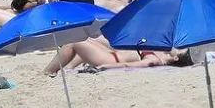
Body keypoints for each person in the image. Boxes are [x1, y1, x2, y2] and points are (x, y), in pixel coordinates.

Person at [41, 38, 192, 74]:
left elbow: (128, 65)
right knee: (88, 38)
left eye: (180, 50)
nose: (177, 47)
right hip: (111, 54)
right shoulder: (161, 52)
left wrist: (103, 67)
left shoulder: (153, 60)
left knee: (73, 42)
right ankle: (67, 69)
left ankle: (48, 72)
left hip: (108, 59)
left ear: (176, 58)